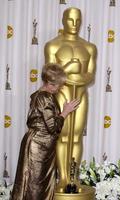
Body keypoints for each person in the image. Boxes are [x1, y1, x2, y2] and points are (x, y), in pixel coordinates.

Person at [44, 7, 97, 192]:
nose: (74, 24)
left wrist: (72, 77)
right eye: (70, 20)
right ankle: (62, 178)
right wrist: (69, 68)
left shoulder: (89, 47)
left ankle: (74, 178)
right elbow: (50, 74)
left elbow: (90, 75)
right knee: (62, 136)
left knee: (75, 138)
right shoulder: (53, 45)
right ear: (63, 20)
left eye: (78, 20)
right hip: (61, 95)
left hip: (80, 95)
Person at [11, 63, 80, 200]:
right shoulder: (45, 97)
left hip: (39, 145)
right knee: (35, 185)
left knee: (33, 183)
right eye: (59, 85)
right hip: (38, 147)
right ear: (49, 83)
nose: (60, 88)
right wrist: (65, 112)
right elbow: (53, 127)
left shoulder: (39, 96)